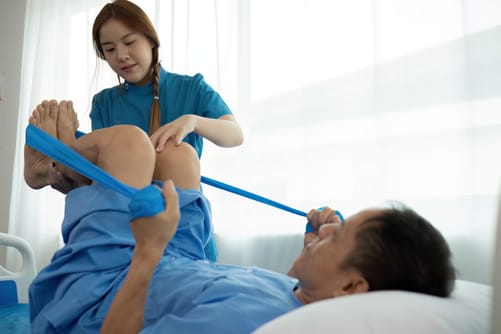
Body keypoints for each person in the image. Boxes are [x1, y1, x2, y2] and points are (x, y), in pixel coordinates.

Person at [27, 101, 456, 334]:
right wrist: (311, 251)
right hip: (179, 261)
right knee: (178, 154)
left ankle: (58, 164)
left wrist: (147, 251)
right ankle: (75, 174)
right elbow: (277, 290)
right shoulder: (311, 298)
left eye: (337, 235)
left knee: (132, 144)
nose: (328, 225)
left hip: (108, 285)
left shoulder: (241, 326)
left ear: (351, 286)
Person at [26, 0, 244, 261]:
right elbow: (101, 181)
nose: (121, 56)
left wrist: (192, 121)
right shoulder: (104, 102)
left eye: (129, 43)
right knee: (125, 146)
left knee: (174, 153)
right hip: (124, 228)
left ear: (151, 40)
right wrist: (69, 184)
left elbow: (234, 134)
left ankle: (61, 156)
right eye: (109, 49)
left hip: (181, 227)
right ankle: (56, 166)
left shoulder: (191, 88)